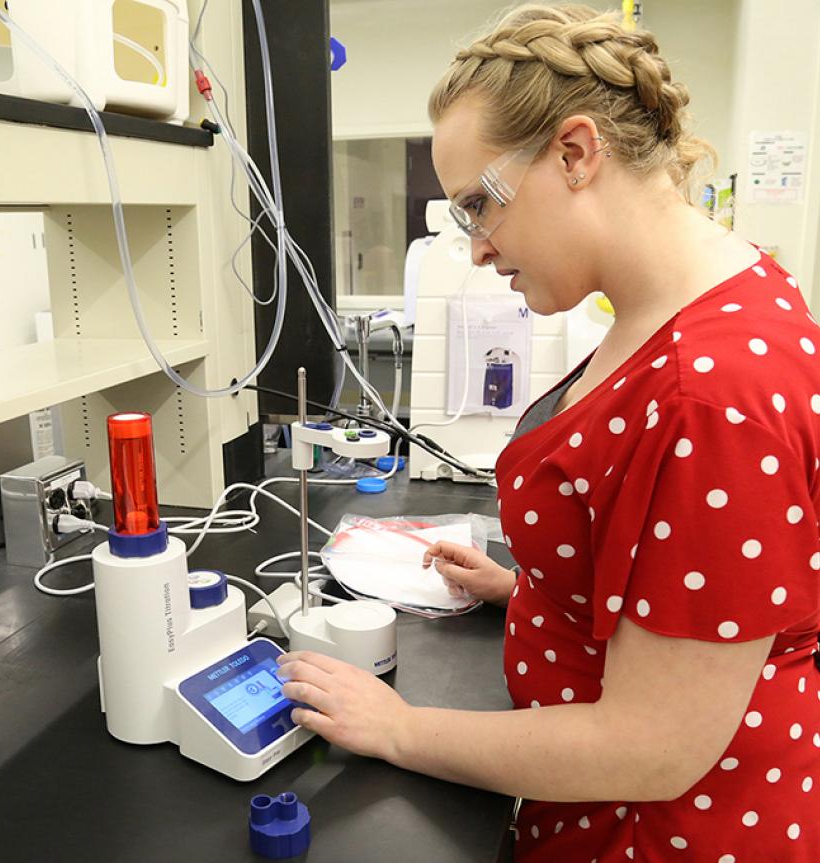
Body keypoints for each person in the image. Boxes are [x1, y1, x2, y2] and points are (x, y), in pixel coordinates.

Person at [276, 4, 820, 861]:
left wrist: (400, 729)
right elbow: (673, 563)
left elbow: (654, 744)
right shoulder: (674, 306)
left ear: (574, 153)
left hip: (666, 830)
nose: (478, 248)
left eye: (477, 207)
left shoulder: (713, 392)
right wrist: (540, 591)